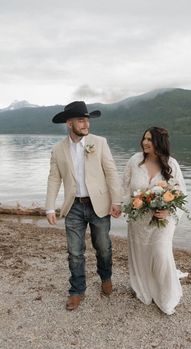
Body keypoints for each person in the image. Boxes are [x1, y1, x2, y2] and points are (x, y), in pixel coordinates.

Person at [45, 101, 122, 311]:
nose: (86, 123)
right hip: (73, 207)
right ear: (69, 123)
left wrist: (117, 200)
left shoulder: (99, 142)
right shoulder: (58, 149)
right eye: (81, 120)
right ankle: (77, 290)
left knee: (103, 247)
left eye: (87, 119)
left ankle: (105, 277)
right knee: (75, 252)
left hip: (99, 204)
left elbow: (111, 172)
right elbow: (54, 179)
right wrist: (50, 207)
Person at [123, 127, 187, 315]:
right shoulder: (134, 161)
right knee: (141, 254)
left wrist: (169, 211)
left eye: (150, 139)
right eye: (144, 138)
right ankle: (144, 289)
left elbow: (181, 193)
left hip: (163, 220)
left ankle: (166, 296)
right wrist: (124, 206)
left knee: (160, 254)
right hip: (139, 220)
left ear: (160, 142)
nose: (145, 142)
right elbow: (125, 187)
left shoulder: (172, 164)